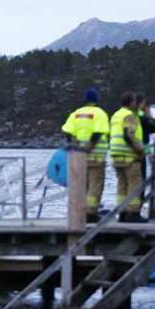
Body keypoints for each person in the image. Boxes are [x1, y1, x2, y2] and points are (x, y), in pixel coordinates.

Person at [62, 88, 109, 223]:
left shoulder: (75, 114)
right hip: (96, 156)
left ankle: (79, 212)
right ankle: (91, 214)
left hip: (79, 158)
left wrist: (77, 148)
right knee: (95, 184)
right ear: (96, 99)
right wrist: (88, 148)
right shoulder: (100, 114)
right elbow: (98, 132)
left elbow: (68, 132)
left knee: (82, 185)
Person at [110, 92, 147, 223]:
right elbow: (128, 135)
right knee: (134, 184)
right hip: (129, 156)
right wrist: (141, 149)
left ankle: (122, 212)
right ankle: (133, 213)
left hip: (116, 155)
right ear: (131, 102)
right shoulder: (129, 116)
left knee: (122, 185)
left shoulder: (115, 115)